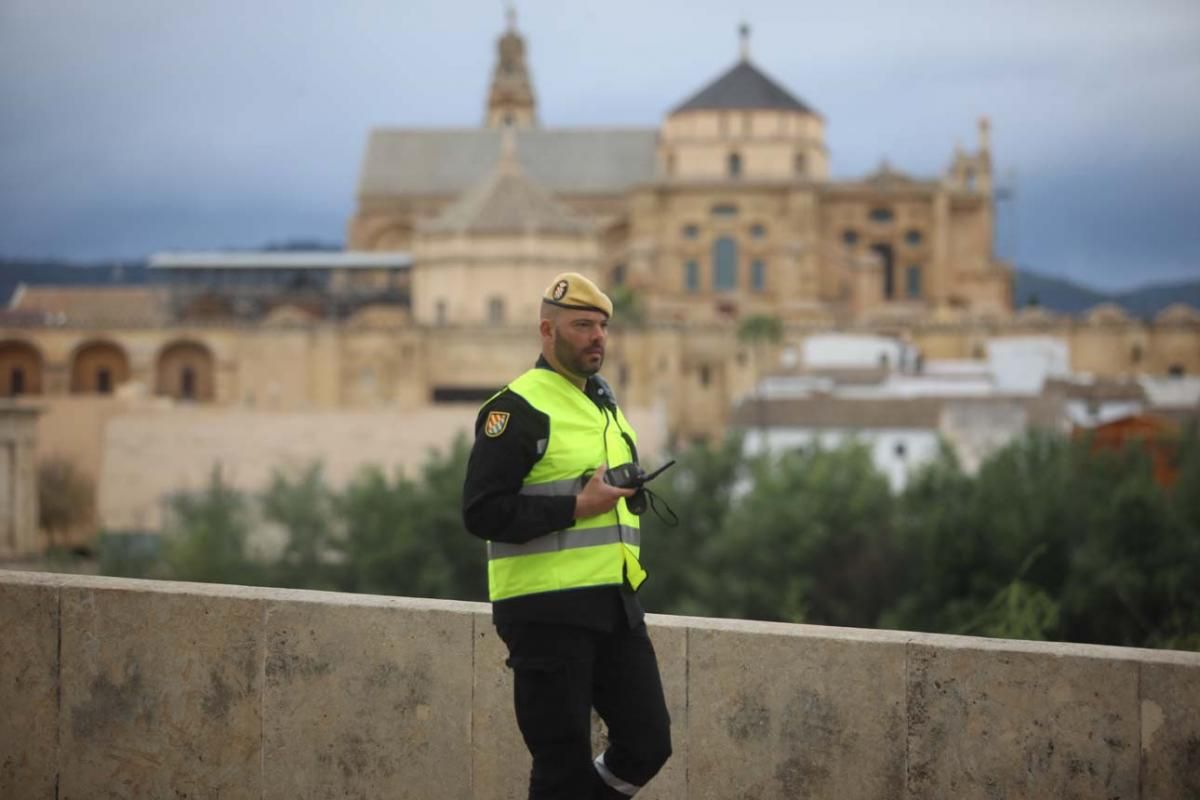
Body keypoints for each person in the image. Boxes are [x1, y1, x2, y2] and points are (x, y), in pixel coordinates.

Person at [462, 272, 672, 799]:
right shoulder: (516, 409)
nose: (597, 336)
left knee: (648, 744)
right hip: (545, 610)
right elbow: (482, 512)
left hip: (614, 604)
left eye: (602, 325)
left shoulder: (603, 405)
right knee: (560, 764)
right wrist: (578, 505)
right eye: (582, 325)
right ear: (547, 331)